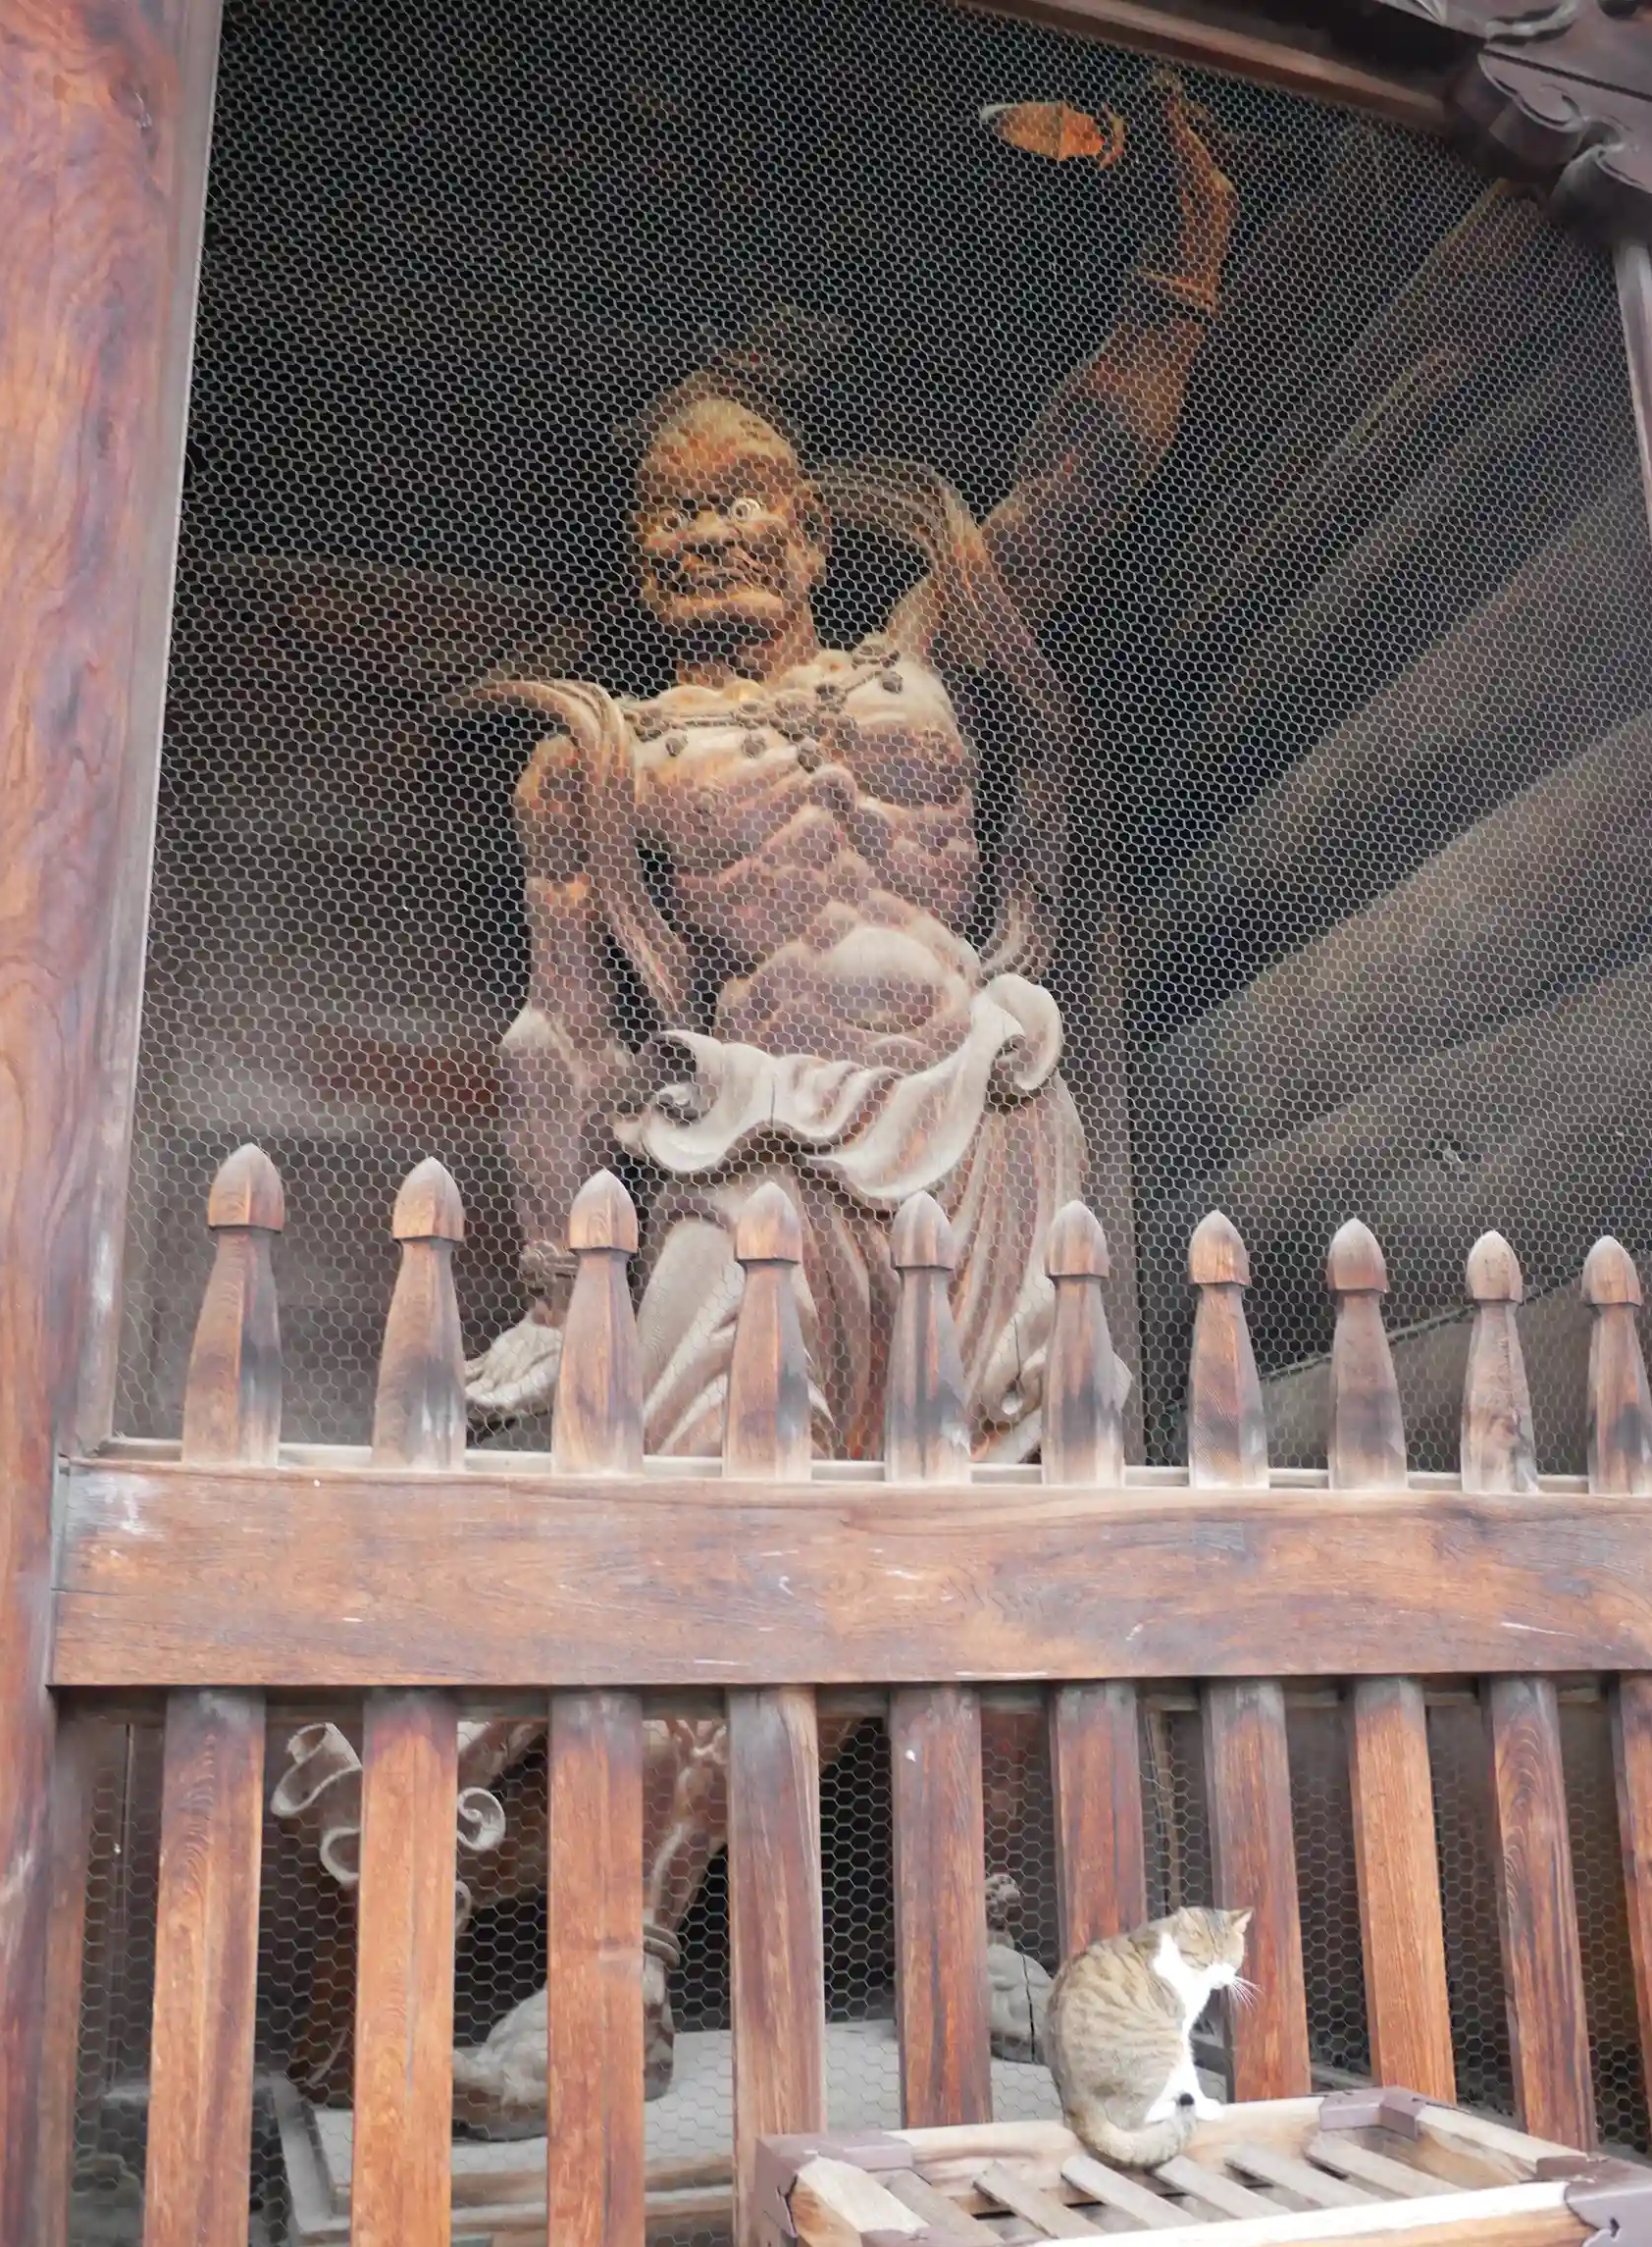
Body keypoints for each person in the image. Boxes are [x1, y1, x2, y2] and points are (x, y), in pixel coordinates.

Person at [465, 77, 1236, 1458]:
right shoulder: (599, 755)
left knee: (1007, 1496)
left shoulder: (916, 658)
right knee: (714, 1468)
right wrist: (551, 1287)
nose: (704, 535)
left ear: (812, 530)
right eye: (669, 516)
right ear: (637, 566)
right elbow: (560, 1028)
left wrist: (1181, 277)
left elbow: (1077, 483)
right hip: (752, 1136)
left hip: (985, 1108)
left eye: (734, 500)